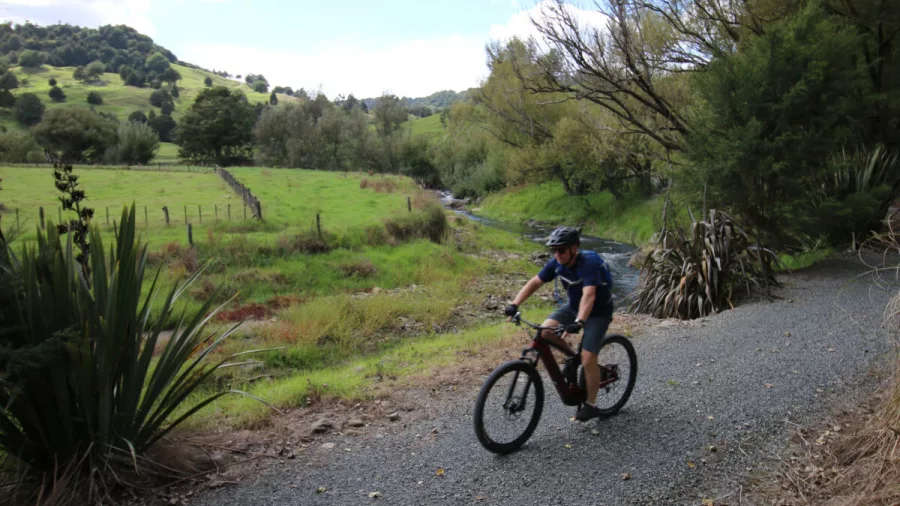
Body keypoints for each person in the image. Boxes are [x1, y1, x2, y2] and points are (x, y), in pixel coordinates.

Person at [504, 226, 614, 421]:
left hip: (597, 313)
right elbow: (535, 282)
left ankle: (591, 404)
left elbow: (589, 295)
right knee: (545, 332)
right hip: (572, 306)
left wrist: (579, 322)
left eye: (561, 250)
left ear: (574, 248)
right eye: (554, 250)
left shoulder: (590, 263)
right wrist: (514, 304)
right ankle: (573, 358)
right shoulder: (557, 263)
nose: (557, 254)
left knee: (589, 359)